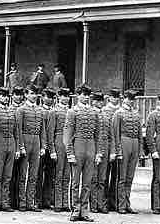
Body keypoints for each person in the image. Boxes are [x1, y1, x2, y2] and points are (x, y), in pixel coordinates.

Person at [64, 85, 100, 222]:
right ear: (78, 95)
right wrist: (70, 153)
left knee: (87, 182)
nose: (85, 97)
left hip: (90, 147)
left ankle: (85, 210)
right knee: (75, 182)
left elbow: (98, 134)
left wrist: (97, 152)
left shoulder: (93, 112)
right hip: (77, 146)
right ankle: (75, 209)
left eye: (87, 95)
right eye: (83, 94)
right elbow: (67, 135)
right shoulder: (72, 112)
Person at [0, 87, 19, 212]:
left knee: (8, 176)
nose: (5, 98)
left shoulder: (12, 112)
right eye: (2, 96)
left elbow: (16, 132)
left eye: (7, 96)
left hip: (11, 144)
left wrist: (16, 148)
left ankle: (5, 203)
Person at [16, 85, 45, 212]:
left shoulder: (39, 110)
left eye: (35, 93)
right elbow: (18, 130)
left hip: (36, 142)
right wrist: (21, 146)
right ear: (26, 95)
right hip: (25, 140)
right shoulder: (21, 110)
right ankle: (22, 202)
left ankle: (30, 202)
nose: (34, 96)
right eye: (31, 93)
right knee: (23, 174)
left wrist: (43, 146)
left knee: (34, 174)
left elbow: (42, 130)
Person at [113, 89, 143, 214]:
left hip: (135, 143)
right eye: (129, 98)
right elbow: (116, 134)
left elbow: (140, 134)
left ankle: (127, 203)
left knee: (130, 177)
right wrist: (118, 150)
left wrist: (140, 150)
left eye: (132, 99)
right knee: (122, 177)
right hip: (124, 142)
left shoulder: (136, 114)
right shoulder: (118, 113)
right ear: (124, 98)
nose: (131, 101)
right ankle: (121, 205)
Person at [49, 88, 71, 212]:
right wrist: (52, 150)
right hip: (58, 141)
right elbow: (50, 131)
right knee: (58, 174)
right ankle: (57, 203)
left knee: (67, 175)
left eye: (67, 96)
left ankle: (65, 203)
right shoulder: (54, 112)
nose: (65, 98)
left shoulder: (71, 111)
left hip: (69, 144)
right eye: (63, 96)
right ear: (59, 97)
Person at [90, 91, 108, 214]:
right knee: (93, 178)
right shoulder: (91, 113)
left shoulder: (106, 115)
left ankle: (100, 204)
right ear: (93, 101)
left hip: (105, 147)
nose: (99, 103)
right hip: (93, 147)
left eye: (101, 101)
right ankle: (93, 205)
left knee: (102, 178)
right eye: (97, 100)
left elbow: (109, 134)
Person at [104, 88, 121, 212]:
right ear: (109, 98)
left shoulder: (121, 111)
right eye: (113, 97)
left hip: (120, 146)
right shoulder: (104, 111)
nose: (115, 99)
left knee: (116, 176)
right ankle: (103, 202)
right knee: (104, 175)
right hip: (107, 144)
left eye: (117, 97)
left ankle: (113, 202)